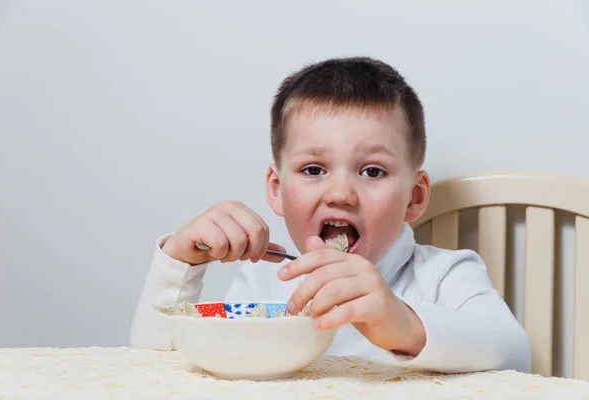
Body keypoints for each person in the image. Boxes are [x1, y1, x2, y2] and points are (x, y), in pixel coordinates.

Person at [130, 57, 531, 374]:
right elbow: (159, 372)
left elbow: (515, 353)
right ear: (276, 190)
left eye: (372, 171)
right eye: (313, 170)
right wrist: (179, 265)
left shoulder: (445, 274)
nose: (340, 194)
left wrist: (402, 322)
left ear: (415, 197)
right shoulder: (263, 278)